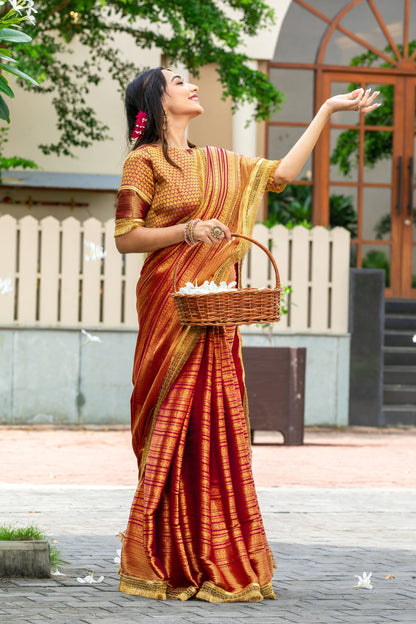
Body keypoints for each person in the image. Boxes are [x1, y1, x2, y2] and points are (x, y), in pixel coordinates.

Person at [114, 67, 379, 603]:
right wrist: (186, 231)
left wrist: (327, 112)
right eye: (179, 81)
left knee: (216, 428)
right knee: (169, 424)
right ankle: (164, 556)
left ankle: (215, 554)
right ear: (158, 100)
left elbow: (280, 173)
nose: (192, 85)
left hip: (215, 312)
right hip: (170, 309)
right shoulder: (143, 162)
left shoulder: (220, 162)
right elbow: (126, 237)